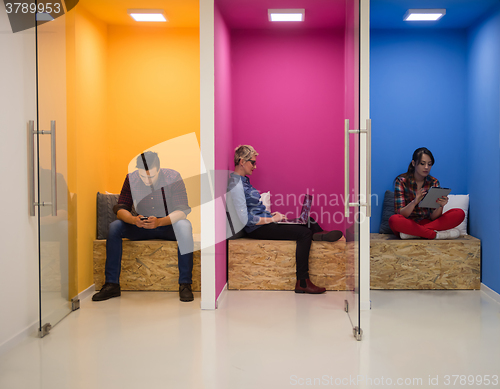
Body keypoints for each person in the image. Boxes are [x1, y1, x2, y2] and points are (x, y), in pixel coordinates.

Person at [229, 145, 344, 294]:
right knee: (304, 233)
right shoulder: (236, 185)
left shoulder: (244, 181)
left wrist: (270, 216)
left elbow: (253, 209)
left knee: (309, 220)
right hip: (257, 229)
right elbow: (245, 219)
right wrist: (271, 219)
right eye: (253, 162)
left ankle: (322, 236)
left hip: (265, 222)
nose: (255, 166)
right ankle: (302, 282)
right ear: (242, 161)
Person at [92, 151, 195, 302]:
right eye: (142, 176)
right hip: (140, 225)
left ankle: (185, 284)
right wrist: (133, 220)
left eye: (151, 176)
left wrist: (160, 222)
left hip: (167, 226)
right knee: (114, 227)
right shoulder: (131, 179)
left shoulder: (173, 177)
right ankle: (111, 284)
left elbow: (182, 211)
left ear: (159, 170)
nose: (147, 180)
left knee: (185, 226)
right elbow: (120, 208)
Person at [388, 147, 465, 240]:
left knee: (459, 213)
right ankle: (435, 235)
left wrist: (441, 206)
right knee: (394, 220)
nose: (426, 167)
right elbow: (401, 214)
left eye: (429, 164)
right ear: (413, 163)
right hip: (407, 223)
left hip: (427, 223)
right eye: (422, 164)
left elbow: (433, 217)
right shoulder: (401, 181)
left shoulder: (434, 182)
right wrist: (415, 202)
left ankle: (415, 233)